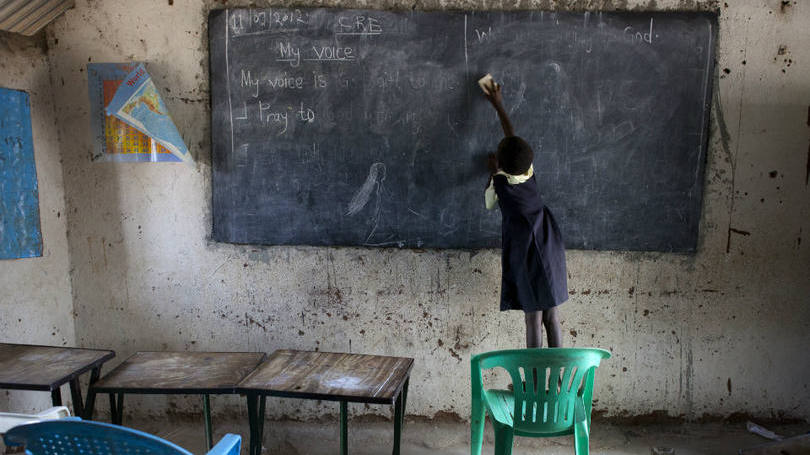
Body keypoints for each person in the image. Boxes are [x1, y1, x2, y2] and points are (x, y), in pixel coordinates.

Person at [482, 79, 568, 348]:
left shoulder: (499, 184)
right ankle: (557, 383)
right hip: (548, 242)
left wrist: (492, 173)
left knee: (533, 319)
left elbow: (488, 205)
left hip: (525, 250)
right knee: (551, 317)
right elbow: (511, 137)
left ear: (501, 161)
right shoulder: (528, 171)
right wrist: (499, 105)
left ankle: (533, 385)